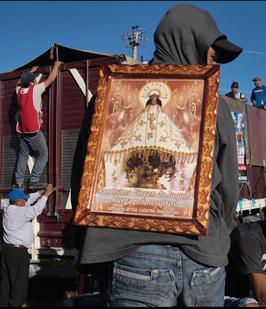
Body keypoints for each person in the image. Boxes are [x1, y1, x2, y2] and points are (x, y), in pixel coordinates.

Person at [70, 3, 242, 307]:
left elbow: (84, 178)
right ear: (190, 42)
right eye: (212, 54)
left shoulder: (113, 91)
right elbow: (228, 187)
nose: (216, 65)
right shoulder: (214, 102)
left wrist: (88, 237)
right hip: (203, 254)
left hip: (132, 252)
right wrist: (215, 230)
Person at [0, 184, 55, 307]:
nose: (26, 201)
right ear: (18, 202)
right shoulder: (20, 213)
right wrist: (45, 196)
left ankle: (2, 304)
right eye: (23, 199)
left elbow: (29, 201)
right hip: (17, 252)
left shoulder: (9, 210)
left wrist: (39, 193)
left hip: (7, 251)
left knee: (6, 282)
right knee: (20, 283)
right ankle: (16, 305)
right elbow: (36, 209)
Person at [13, 60, 63, 190]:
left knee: (23, 155)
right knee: (43, 154)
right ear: (31, 83)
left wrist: (30, 72)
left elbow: (18, 82)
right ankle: (34, 180)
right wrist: (57, 65)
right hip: (32, 131)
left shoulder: (18, 91)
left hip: (21, 131)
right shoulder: (34, 90)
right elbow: (51, 78)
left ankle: (18, 183)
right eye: (33, 79)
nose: (36, 80)